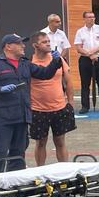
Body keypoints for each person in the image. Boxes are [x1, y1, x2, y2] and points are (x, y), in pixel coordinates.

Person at [0, 33, 63, 173]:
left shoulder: (25, 63)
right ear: (8, 46)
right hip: (3, 118)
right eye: (19, 43)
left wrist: (56, 62)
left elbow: (44, 74)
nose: (23, 46)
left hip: (22, 116)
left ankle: (14, 185)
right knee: (0, 152)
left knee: (18, 154)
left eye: (23, 43)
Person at [28, 30, 76, 167]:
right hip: (38, 110)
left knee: (60, 142)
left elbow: (68, 81)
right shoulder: (29, 61)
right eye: (44, 42)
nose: (48, 44)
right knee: (41, 142)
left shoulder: (58, 59)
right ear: (35, 45)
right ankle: (40, 170)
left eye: (49, 41)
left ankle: (64, 171)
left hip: (59, 108)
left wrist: (71, 103)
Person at [73, 10, 99, 114]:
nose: (92, 19)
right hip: (85, 59)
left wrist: (93, 52)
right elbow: (78, 48)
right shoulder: (80, 31)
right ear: (84, 19)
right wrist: (90, 55)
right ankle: (85, 106)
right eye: (89, 17)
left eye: (93, 17)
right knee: (85, 84)